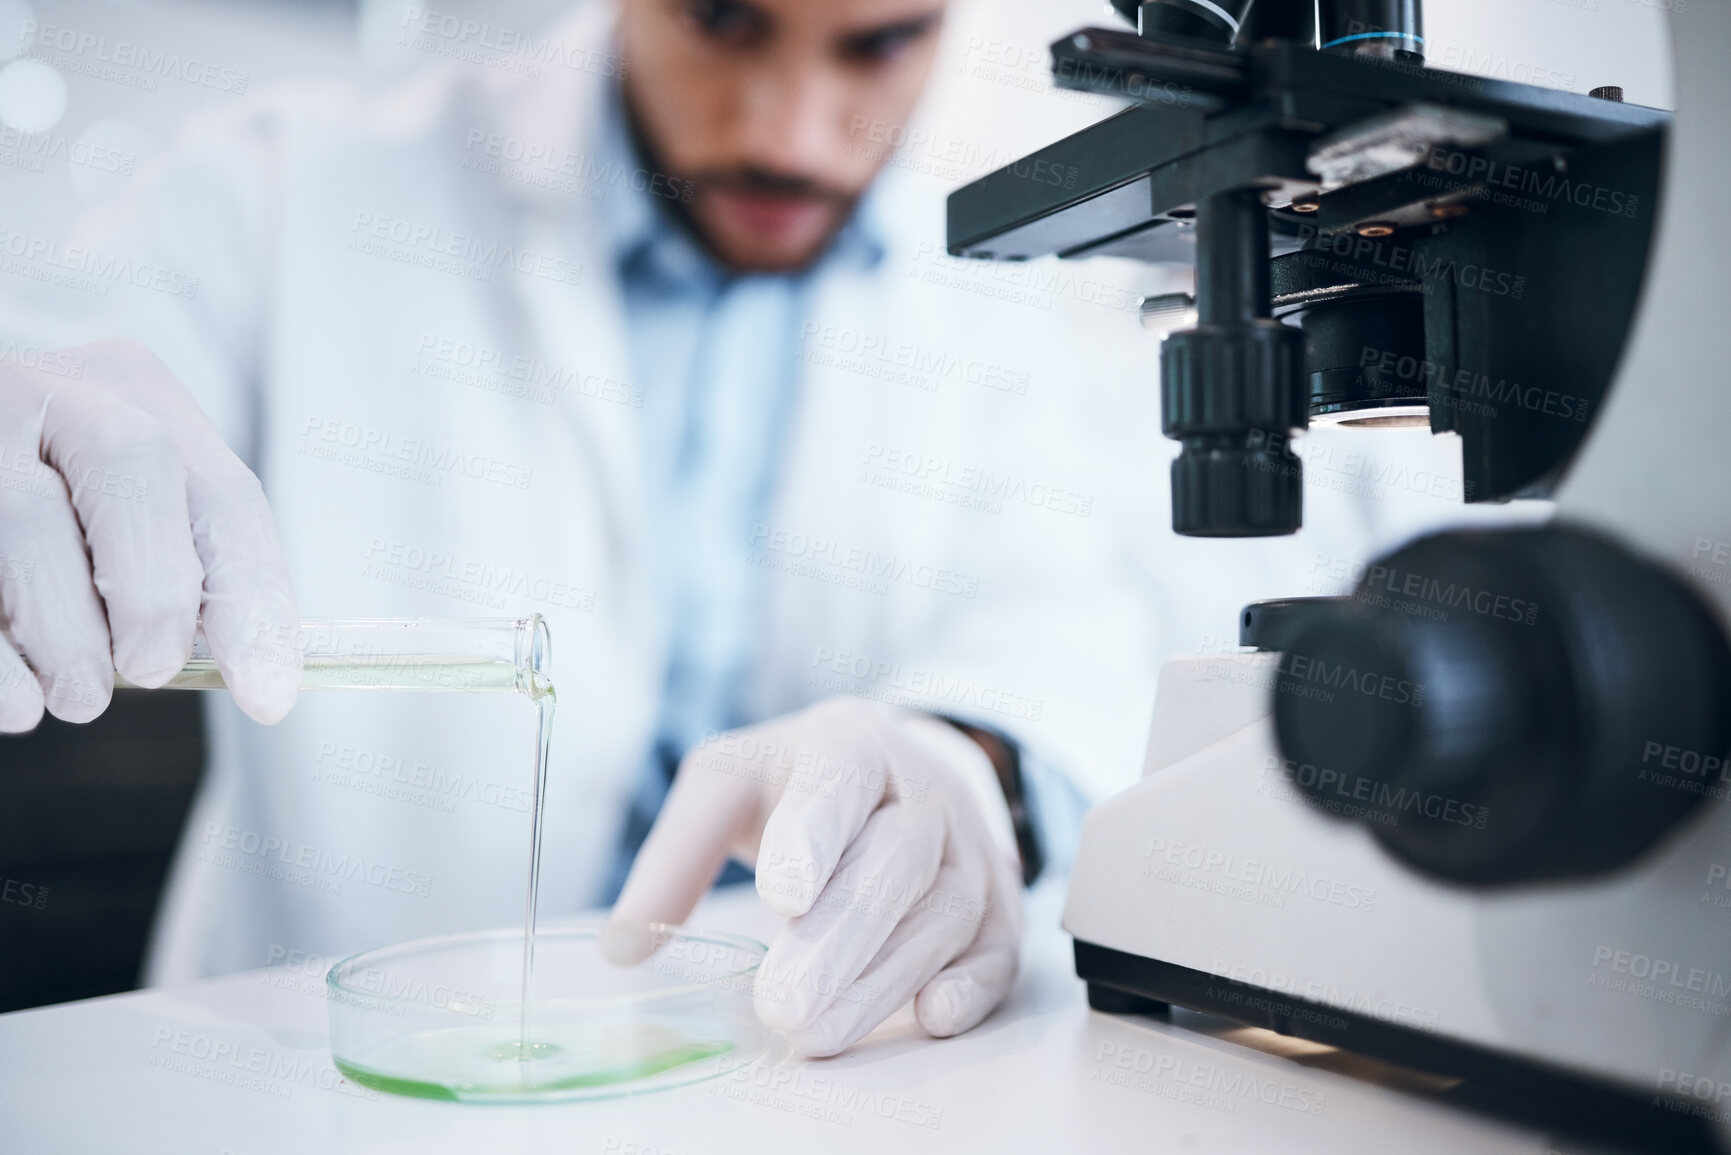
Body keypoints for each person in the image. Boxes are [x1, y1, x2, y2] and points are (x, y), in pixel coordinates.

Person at [0, 0, 1437, 1056]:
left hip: (782, 1086)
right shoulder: (293, 184)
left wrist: (959, 756)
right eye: (726, 22)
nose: (788, 131)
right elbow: (62, 367)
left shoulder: (989, 294)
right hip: (322, 1089)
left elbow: (1053, 617)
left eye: (877, 42)